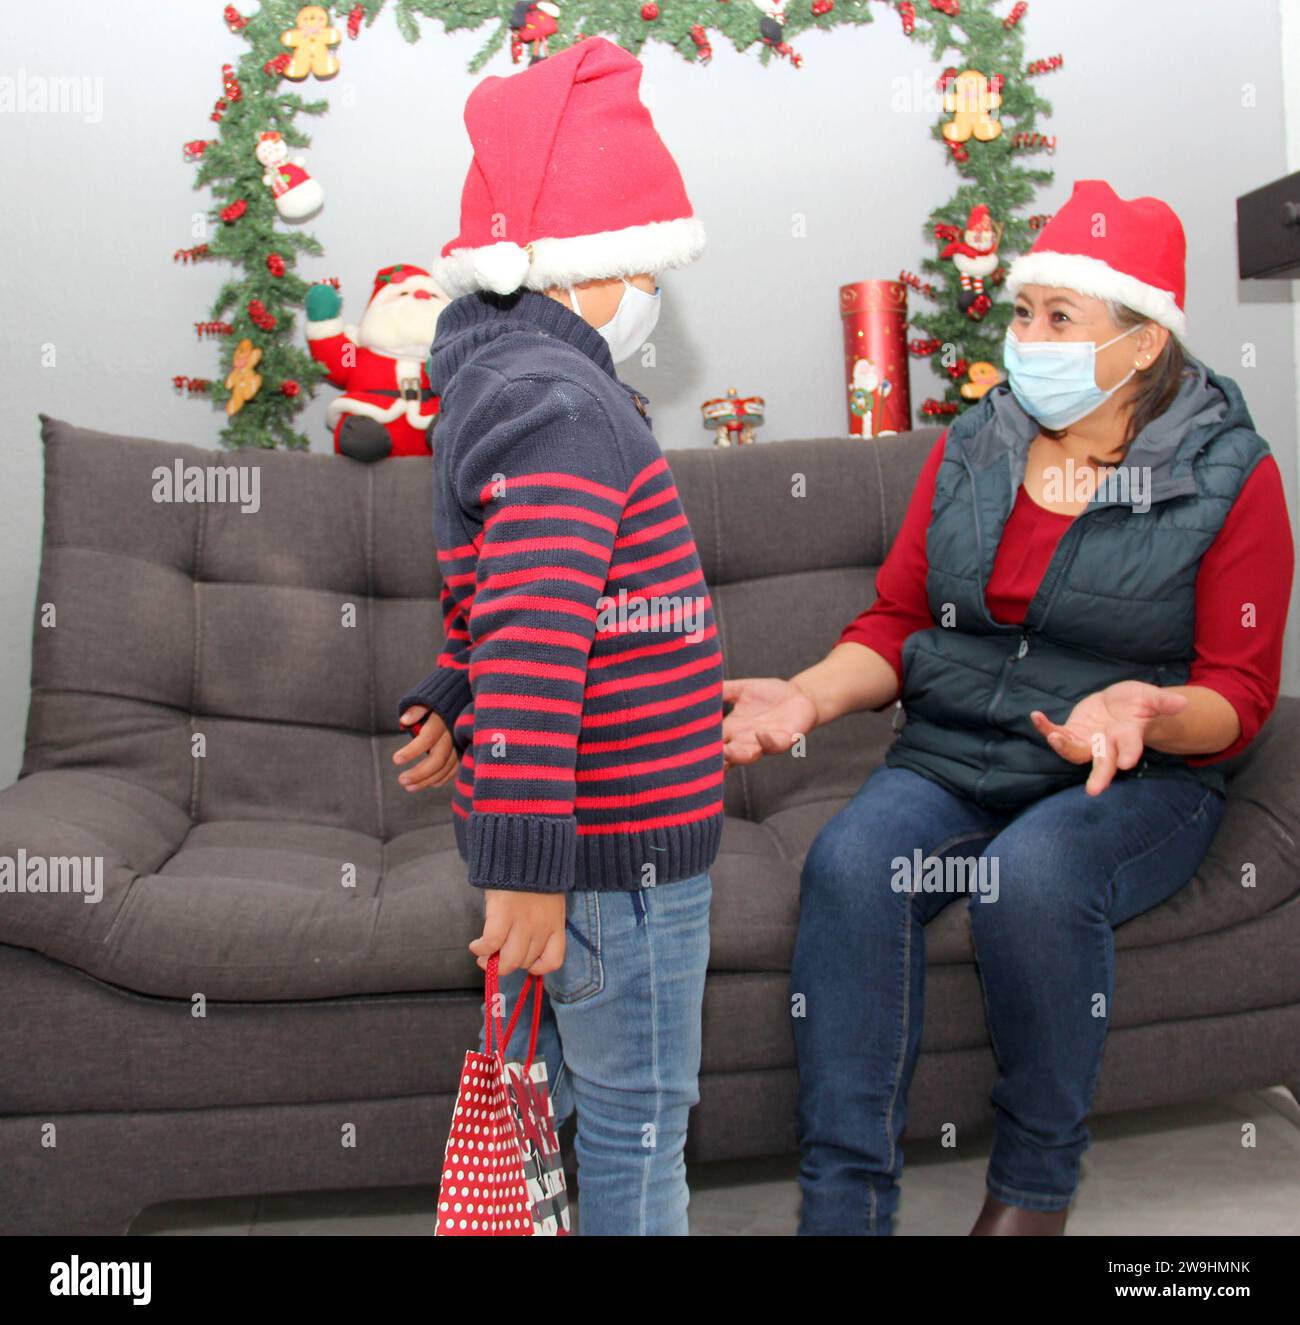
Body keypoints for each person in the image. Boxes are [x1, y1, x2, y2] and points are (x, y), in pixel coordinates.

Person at [722, 179, 1295, 1235]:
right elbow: (899, 619)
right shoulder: (974, 444)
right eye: (1022, 311)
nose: (1026, 337)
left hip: (1129, 773)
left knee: (1026, 877)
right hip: (953, 750)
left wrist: (1146, 713)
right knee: (851, 865)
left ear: (1140, 341)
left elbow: (1238, 695)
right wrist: (805, 694)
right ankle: (842, 1206)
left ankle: (1032, 1194)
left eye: (1059, 318)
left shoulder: (1230, 475)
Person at [391, 37, 722, 1236]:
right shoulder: (569, 403)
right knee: (640, 1134)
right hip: (617, 851)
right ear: (590, 268)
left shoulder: (505, 382)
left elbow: (509, 591)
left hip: (584, 848)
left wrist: (451, 688)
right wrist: (527, 860)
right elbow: (537, 628)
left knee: (586, 1109)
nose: (650, 294)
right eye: (645, 266)